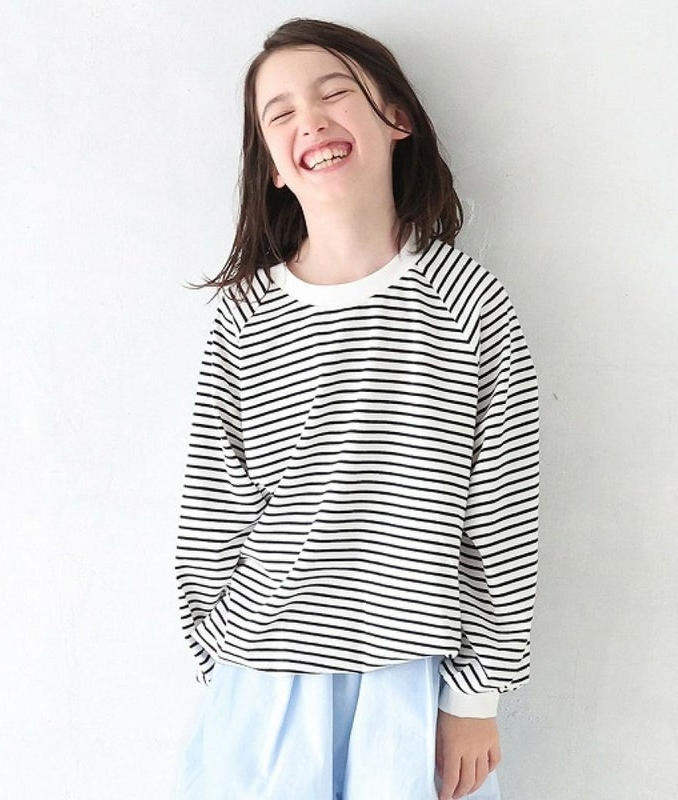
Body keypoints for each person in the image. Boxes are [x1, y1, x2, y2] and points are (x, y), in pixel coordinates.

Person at [175, 17, 539, 800]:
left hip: (409, 681)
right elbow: (215, 501)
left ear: (396, 119)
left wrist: (476, 695)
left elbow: (502, 511)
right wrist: (216, 655)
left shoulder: (466, 301)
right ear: (273, 168)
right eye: (279, 113)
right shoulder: (246, 315)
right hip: (263, 678)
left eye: (333, 93)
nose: (309, 119)